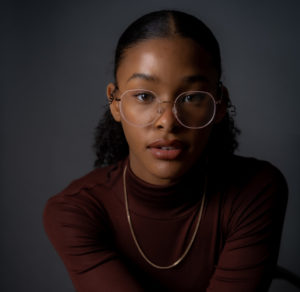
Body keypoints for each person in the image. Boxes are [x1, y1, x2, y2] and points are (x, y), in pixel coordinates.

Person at [43, 10, 288, 292]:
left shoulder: (255, 190)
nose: (167, 121)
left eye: (193, 97)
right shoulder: (75, 212)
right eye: (144, 96)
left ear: (219, 104)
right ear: (115, 103)